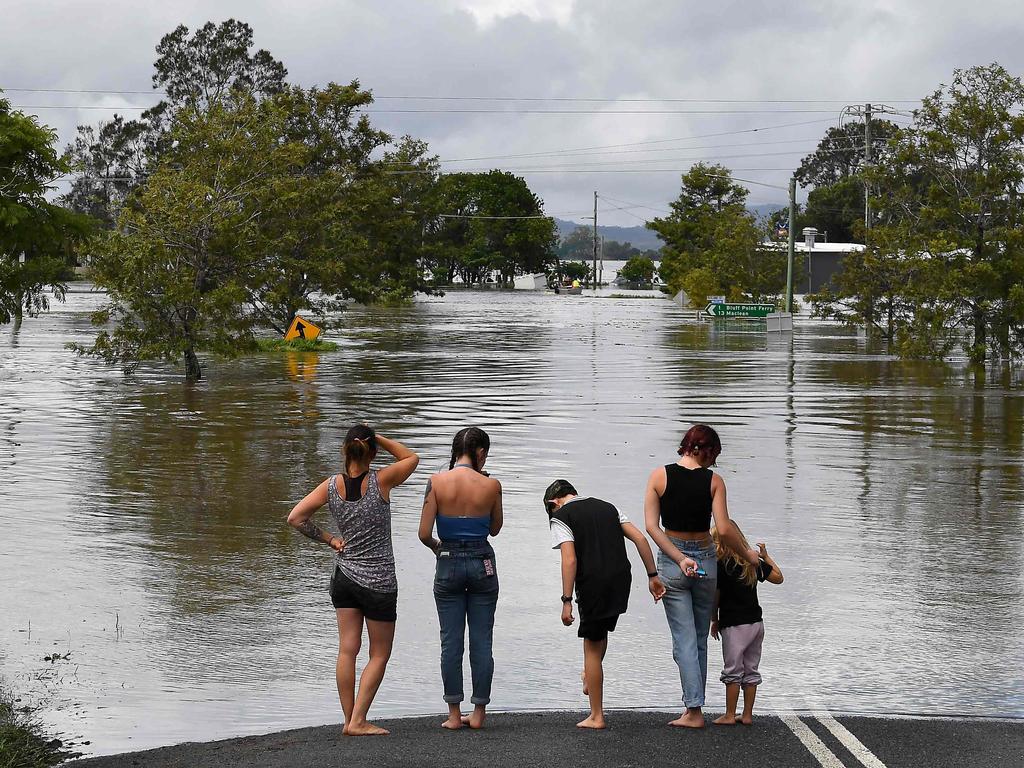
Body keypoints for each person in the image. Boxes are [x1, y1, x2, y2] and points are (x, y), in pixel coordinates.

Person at [287, 425, 419, 736]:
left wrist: (331, 539)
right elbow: (411, 458)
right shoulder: (381, 481)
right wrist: (381, 436)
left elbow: (295, 518)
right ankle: (358, 720)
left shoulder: (331, 486)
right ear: (371, 452)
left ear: (345, 451)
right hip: (379, 581)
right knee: (379, 653)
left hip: (345, 577)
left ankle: (349, 720)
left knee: (347, 650)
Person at [644, 424, 759, 728]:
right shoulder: (714, 482)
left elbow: (651, 527)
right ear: (705, 450)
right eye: (713, 455)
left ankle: (693, 710)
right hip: (706, 557)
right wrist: (748, 554)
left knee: (683, 639)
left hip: (673, 559)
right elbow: (723, 528)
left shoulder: (659, 476)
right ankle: (694, 707)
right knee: (698, 639)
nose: (713, 463)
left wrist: (680, 558)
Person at [544, 480, 666, 730]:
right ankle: (590, 675)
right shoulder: (608, 507)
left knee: (590, 644)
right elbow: (640, 539)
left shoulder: (562, 516)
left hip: (593, 583)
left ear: (553, 502)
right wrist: (652, 576)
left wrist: (566, 601)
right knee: (600, 632)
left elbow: (569, 559)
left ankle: (596, 716)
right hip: (621, 579)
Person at [419, 427, 503, 730]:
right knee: (482, 640)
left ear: (457, 451)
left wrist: (440, 548)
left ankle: (454, 714)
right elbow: (495, 528)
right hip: (483, 563)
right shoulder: (492, 484)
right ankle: (479, 713)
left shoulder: (437, 482)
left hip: (448, 561)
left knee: (450, 642)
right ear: (480, 453)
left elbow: (424, 534)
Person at [710, 524, 784, 726]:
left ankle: (729, 714)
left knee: (733, 669)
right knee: (751, 669)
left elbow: (714, 598)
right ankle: (748, 715)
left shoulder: (720, 565)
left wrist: (714, 619)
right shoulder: (752, 561)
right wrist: (766, 557)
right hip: (756, 624)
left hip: (734, 624)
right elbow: (779, 578)